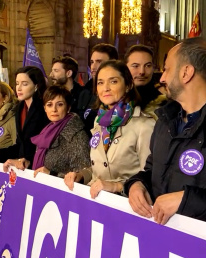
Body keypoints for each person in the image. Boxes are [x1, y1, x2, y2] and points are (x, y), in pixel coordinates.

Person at [124, 37, 206, 229]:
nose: (162, 78)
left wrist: (186, 200)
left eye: (167, 69)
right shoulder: (165, 121)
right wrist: (137, 185)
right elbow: (152, 171)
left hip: (198, 252)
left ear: (186, 72)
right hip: (157, 239)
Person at [64, 60, 155, 199]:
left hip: (126, 206)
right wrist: (82, 175)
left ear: (128, 85)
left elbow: (151, 177)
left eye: (113, 81)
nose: (105, 88)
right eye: (100, 82)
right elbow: (99, 170)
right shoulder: (99, 121)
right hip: (97, 204)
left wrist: (117, 186)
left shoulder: (144, 125)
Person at [31, 85, 90, 178]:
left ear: (68, 108)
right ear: (45, 108)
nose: (54, 109)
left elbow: (83, 175)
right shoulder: (46, 131)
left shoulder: (76, 135)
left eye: (60, 104)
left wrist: (52, 174)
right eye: (49, 105)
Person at [0, 66, 50, 172]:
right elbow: (20, 144)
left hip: (40, 168)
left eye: (24, 84)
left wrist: (28, 160)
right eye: (17, 83)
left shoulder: (44, 109)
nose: (18, 88)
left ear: (36, 86)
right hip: (23, 168)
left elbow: (44, 144)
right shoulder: (19, 108)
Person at [80, 44, 119, 131]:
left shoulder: (118, 93)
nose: (93, 67)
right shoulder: (85, 91)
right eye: (92, 62)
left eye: (99, 62)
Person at [124, 45, 167, 119]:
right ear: (125, 68)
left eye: (147, 66)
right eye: (135, 66)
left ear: (153, 68)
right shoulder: (115, 99)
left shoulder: (163, 105)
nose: (142, 72)